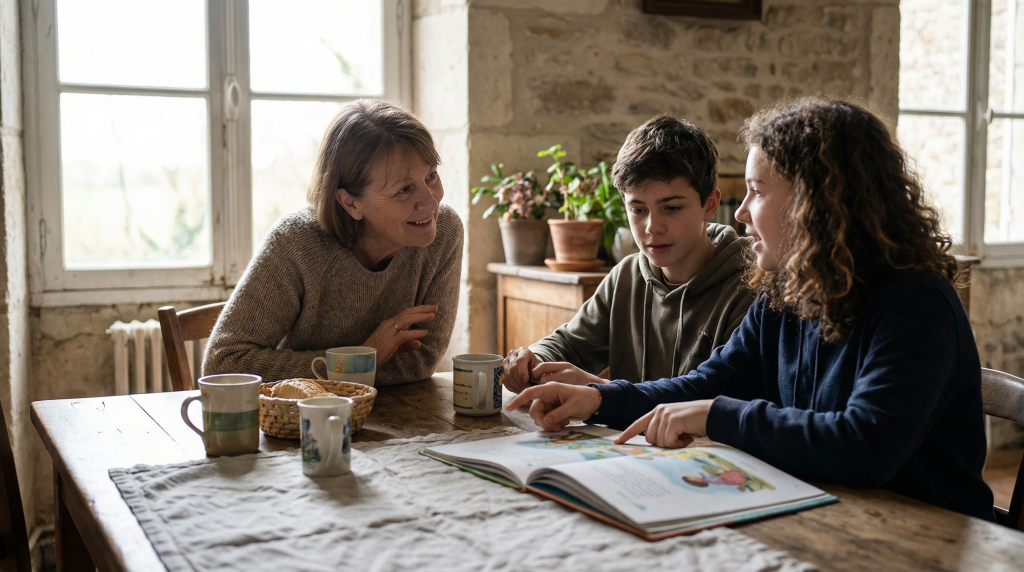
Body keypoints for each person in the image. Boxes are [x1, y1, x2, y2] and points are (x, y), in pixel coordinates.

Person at [507, 97, 996, 521]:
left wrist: (717, 415)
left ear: (816, 202)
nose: (740, 213)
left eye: (757, 192)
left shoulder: (916, 303)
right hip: (822, 513)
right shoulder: (785, 290)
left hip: (924, 538)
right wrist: (602, 398)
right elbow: (707, 383)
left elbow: (864, 447)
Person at [203, 99, 462, 386]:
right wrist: (362, 357)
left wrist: (344, 368)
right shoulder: (296, 244)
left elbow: (419, 363)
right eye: (404, 190)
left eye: (431, 176)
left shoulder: (444, 232)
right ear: (350, 203)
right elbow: (222, 365)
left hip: (392, 420)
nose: (430, 201)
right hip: (300, 420)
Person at [502, 115, 754, 393]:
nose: (652, 227)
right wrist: (532, 358)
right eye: (638, 209)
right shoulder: (627, 275)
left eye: (671, 208)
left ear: (710, 204)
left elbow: (714, 399)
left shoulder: (748, 288)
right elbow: (569, 344)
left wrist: (599, 392)